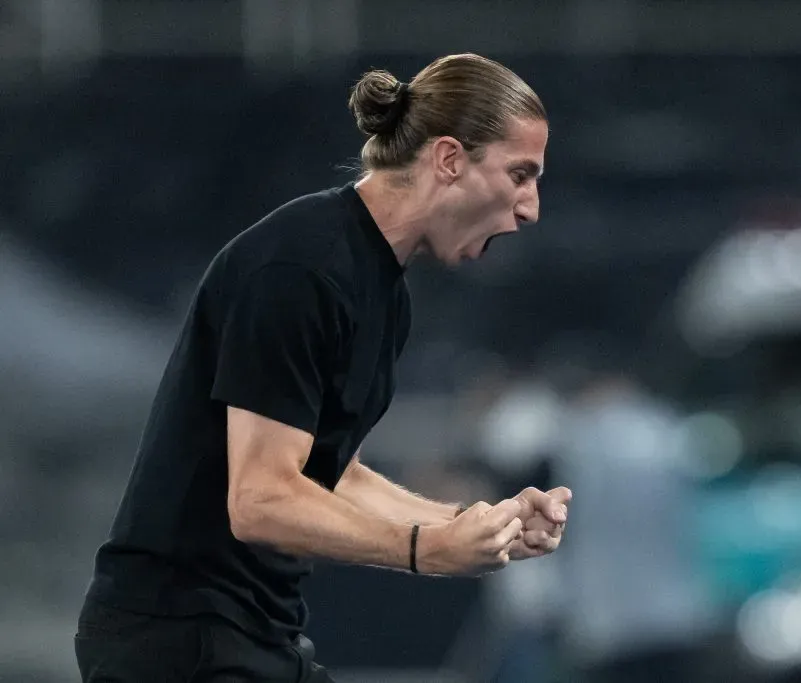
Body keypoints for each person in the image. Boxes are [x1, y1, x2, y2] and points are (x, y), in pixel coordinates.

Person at [74, 53, 572, 683]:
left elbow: (332, 475)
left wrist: (472, 524)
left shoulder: (382, 290)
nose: (530, 208)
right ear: (449, 159)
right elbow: (260, 499)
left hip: (248, 633)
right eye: (520, 174)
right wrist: (426, 551)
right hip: (177, 640)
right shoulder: (300, 268)